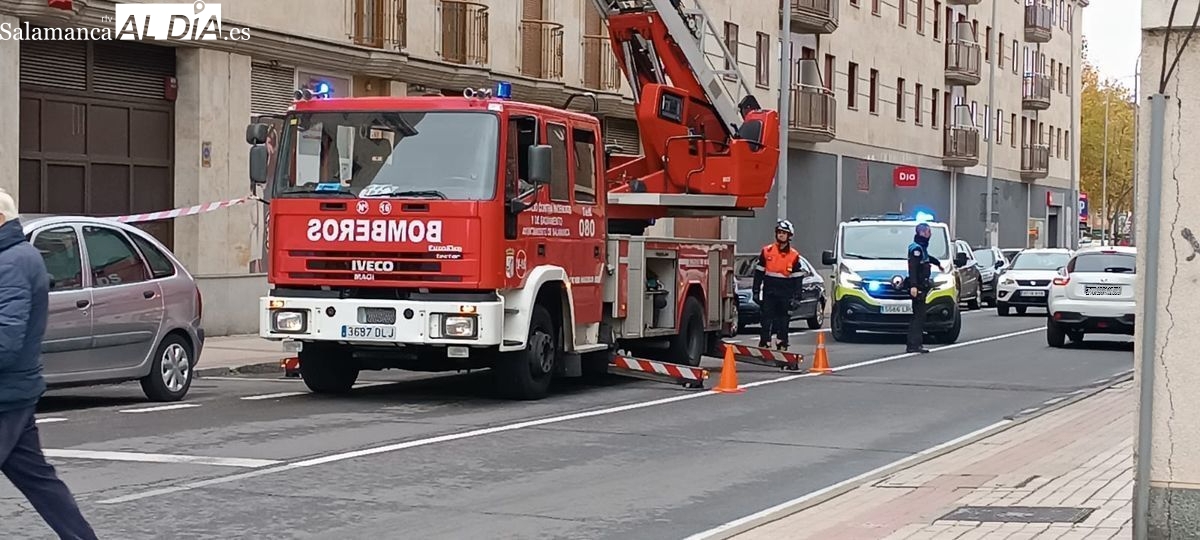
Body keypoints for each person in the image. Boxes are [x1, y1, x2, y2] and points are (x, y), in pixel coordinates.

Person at [0, 189, 98, 539]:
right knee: (40, 482)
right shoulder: (16, 257)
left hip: (5, 395)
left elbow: (6, 340)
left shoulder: (11, 263)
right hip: (16, 392)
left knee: (41, 481)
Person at [752, 219, 805, 350]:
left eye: (784, 233)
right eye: (779, 232)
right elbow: (759, 273)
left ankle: (782, 343)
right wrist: (756, 291)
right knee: (766, 318)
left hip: (785, 293)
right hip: (770, 291)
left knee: (783, 320)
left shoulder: (794, 255)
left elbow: (798, 278)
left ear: (789, 236)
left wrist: (797, 297)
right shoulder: (767, 251)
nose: (781, 235)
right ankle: (765, 342)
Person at [905, 222, 945, 354]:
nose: (930, 234)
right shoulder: (916, 249)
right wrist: (914, 286)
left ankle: (916, 343)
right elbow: (913, 268)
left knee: (920, 316)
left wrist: (938, 263)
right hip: (918, 287)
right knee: (918, 316)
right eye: (928, 232)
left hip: (922, 286)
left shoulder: (922, 248)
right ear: (922, 233)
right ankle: (913, 344)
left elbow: (927, 259)